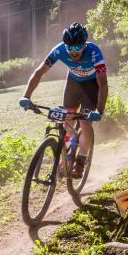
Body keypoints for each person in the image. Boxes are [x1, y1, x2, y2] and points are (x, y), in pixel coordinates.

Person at [18, 22, 108, 178]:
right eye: (69, 48)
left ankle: (81, 161)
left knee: (85, 122)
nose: (73, 52)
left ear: (84, 45)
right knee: (68, 119)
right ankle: (67, 155)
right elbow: (39, 72)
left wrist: (99, 110)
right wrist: (26, 96)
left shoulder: (94, 52)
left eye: (77, 48)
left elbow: (103, 83)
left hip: (92, 86)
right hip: (73, 83)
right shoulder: (59, 50)